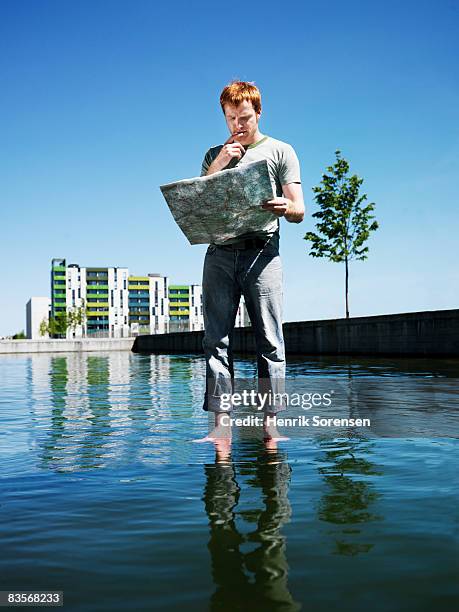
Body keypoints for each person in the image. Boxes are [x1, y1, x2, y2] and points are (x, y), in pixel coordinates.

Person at [194, 81, 304, 444]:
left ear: (258, 113)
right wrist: (221, 163)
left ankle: (271, 422)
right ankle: (222, 424)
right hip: (220, 255)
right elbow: (199, 203)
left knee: (270, 340)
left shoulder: (281, 151)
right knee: (216, 340)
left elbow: (299, 209)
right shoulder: (214, 153)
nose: (237, 125)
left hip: (263, 253)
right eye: (230, 119)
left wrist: (283, 207)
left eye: (244, 118)